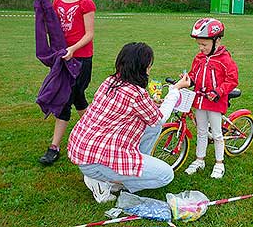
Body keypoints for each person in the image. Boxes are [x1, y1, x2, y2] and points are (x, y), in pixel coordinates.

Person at [68, 42, 191, 203]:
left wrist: (154, 104)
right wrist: (175, 91)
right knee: (166, 175)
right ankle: (108, 182)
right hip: (96, 160)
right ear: (142, 68)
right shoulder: (135, 93)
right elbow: (160, 118)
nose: (149, 70)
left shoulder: (111, 81)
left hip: (83, 150)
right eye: (149, 66)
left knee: (153, 128)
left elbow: (151, 119)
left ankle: (124, 172)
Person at [38, 0, 97, 165]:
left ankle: (54, 147)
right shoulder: (57, 1)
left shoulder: (86, 3)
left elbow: (89, 34)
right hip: (64, 58)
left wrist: (73, 49)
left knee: (66, 98)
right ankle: (96, 132)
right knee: (77, 98)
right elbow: (53, 26)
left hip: (80, 58)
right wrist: (43, 2)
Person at [184, 18, 239, 179]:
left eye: (204, 45)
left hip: (215, 102)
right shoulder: (199, 58)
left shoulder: (225, 60)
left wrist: (218, 91)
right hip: (200, 100)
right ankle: (199, 160)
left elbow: (232, 80)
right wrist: (189, 80)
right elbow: (194, 73)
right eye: (199, 45)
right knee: (201, 131)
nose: (201, 48)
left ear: (217, 41)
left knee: (216, 133)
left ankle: (219, 163)